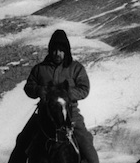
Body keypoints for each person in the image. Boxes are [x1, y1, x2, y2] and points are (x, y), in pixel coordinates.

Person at [8, 30, 99, 163]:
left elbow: (84, 89)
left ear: (66, 51)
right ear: (50, 51)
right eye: (54, 50)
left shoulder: (76, 68)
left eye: (61, 50)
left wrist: (66, 95)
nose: (57, 53)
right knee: (22, 140)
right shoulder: (40, 69)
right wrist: (39, 90)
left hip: (69, 113)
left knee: (86, 143)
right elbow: (28, 87)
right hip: (44, 115)